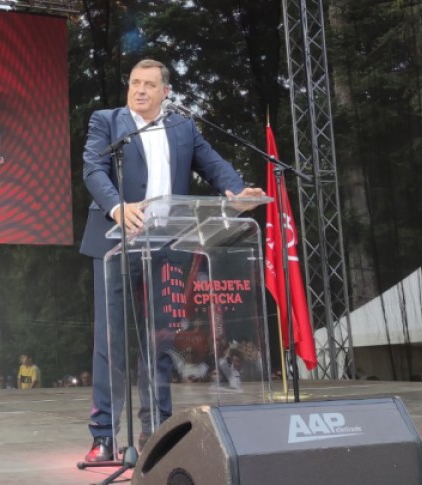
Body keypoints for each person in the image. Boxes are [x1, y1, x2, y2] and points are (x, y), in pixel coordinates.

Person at [79, 58, 264, 463]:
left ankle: (156, 430)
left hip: (166, 246)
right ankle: (104, 435)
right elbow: (93, 169)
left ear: (165, 92)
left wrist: (236, 192)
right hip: (114, 242)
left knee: (160, 341)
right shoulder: (107, 122)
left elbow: (213, 164)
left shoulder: (183, 128)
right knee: (110, 341)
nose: (140, 90)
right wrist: (116, 206)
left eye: (149, 85)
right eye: (134, 83)